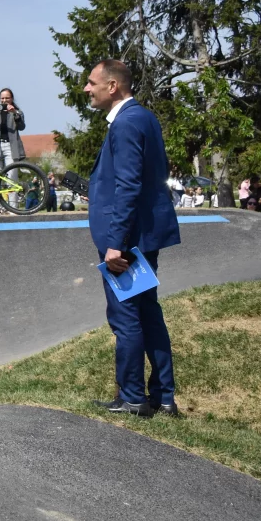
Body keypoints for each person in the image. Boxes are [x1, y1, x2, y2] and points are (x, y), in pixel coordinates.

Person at [83, 59, 180, 417]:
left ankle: (133, 397)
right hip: (143, 235)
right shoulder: (144, 117)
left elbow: (129, 186)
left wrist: (115, 243)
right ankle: (164, 397)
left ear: (113, 87)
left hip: (127, 240)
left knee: (126, 318)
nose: (86, 89)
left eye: (92, 83)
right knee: (149, 314)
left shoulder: (125, 123)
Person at [0, 87, 26, 214]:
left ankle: (13, 208)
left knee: (11, 177)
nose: (4, 100)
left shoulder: (17, 112)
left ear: (12, 99)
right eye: (2, 98)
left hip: (10, 147)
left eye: (7, 98)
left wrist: (14, 114)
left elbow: (22, 127)